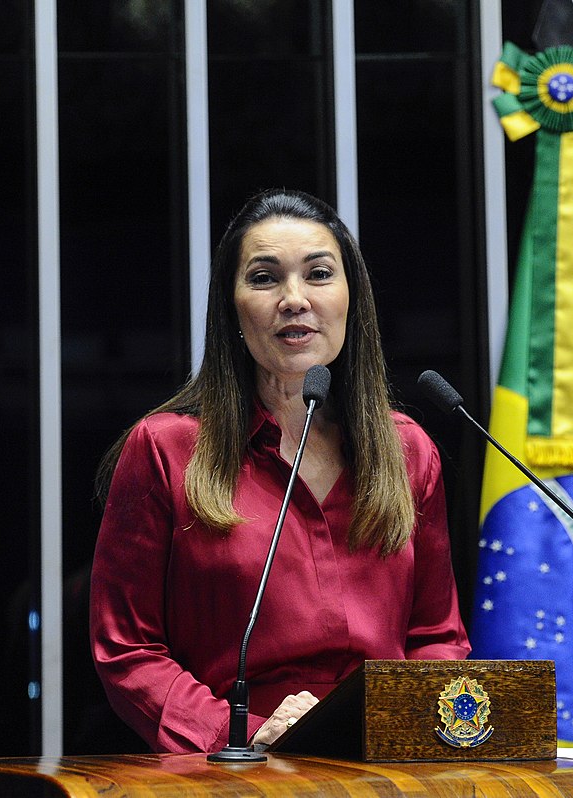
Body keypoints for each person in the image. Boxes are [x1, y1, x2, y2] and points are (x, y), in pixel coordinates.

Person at [90, 188, 470, 754]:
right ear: (232, 308)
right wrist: (240, 732)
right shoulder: (165, 449)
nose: (294, 299)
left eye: (319, 274)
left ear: (351, 298)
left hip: (381, 771)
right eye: (265, 279)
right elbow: (128, 652)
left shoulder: (408, 451)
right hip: (233, 770)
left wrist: (401, 730)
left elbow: (436, 638)